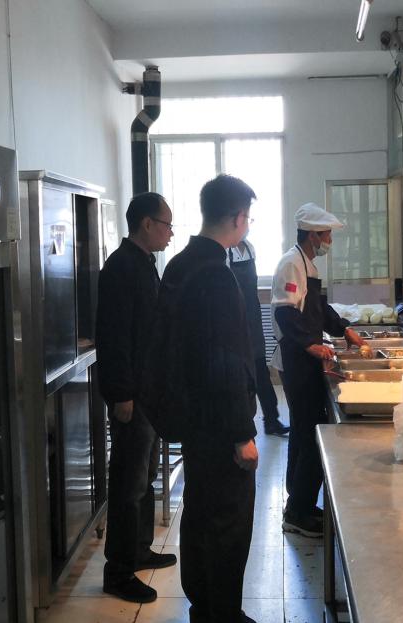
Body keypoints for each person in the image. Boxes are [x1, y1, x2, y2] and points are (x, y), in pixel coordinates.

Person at [155, 174, 260, 623]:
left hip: (192, 418)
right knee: (228, 524)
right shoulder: (216, 275)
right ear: (236, 218)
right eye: (247, 218)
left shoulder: (179, 265)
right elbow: (225, 360)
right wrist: (242, 434)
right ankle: (222, 613)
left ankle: (204, 607)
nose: (247, 225)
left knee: (199, 512)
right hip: (219, 424)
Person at [96, 192, 177, 603]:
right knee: (128, 483)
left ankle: (140, 549)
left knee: (144, 478)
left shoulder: (145, 263)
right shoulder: (120, 267)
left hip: (149, 392)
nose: (170, 233)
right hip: (132, 395)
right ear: (146, 223)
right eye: (166, 225)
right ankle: (118, 571)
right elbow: (113, 338)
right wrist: (122, 394)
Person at [271, 203, 366, 538]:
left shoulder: (306, 263)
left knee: (305, 433)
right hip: (296, 361)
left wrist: (344, 329)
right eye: (326, 235)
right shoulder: (291, 263)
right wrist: (310, 345)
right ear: (312, 235)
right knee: (309, 434)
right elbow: (284, 313)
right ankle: (297, 513)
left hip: (305, 359)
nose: (329, 241)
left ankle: (300, 503)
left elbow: (318, 309)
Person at [228, 238, 291, 436]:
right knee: (242, 375)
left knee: (261, 372)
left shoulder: (249, 247)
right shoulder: (225, 251)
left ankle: (271, 420)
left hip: (253, 318)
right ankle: (242, 427)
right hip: (235, 319)